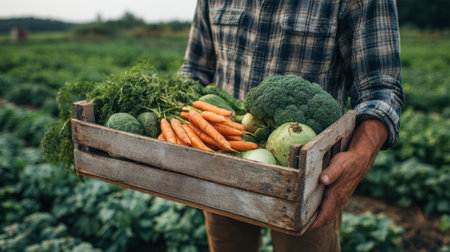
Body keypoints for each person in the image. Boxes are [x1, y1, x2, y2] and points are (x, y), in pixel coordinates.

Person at [179, 0, 404, 251]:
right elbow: (195, 68)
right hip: (224, 158)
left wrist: (358, 160)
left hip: (311, 178)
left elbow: (380, 90)